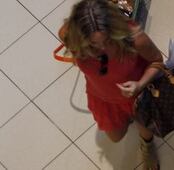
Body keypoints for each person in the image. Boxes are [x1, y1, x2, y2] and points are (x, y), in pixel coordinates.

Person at [58, 0, 161, 169]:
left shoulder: (134, 38)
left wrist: (140, 84)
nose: (101, 49)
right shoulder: (69, 35)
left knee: (143, 123)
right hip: (102, 97)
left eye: (107, 40)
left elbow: (157, 61)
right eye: (92, 44)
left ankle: (147, 145)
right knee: (116, 136)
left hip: (137, 94)